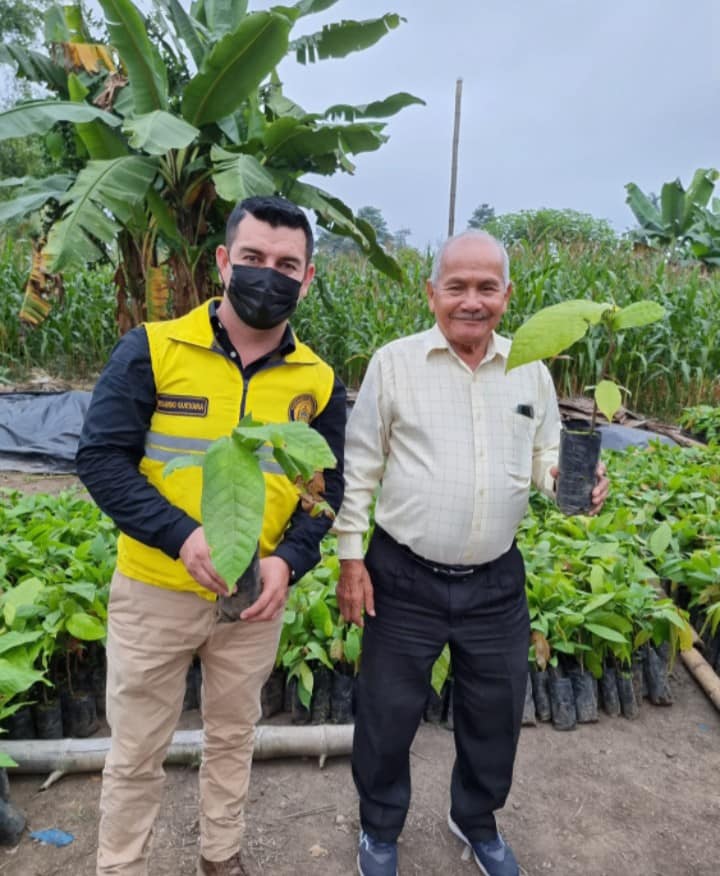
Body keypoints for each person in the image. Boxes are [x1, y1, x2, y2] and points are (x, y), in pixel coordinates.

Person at [77, 195, 346, 876]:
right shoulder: (153, 348)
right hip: (156, 591)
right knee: (136, 749)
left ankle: (221, 857)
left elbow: (326, 492)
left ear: (307, 278)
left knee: (233, 737)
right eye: (253, 257)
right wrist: (181, 536)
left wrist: (290, 561)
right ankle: (120, 866)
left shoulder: (318, 380)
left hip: (253, 602)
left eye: (287, 265)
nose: (268, 274)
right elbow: (101, 459)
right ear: (224, 262)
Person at [334, 230, 609, 876]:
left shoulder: (529, 370)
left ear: (507, 296)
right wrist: (350, 558)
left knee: (495, 711)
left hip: (495, 580)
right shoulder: (394, 364)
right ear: (431, 293)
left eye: (487, 287)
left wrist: (568, 480)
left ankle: (476, 819)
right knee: (387, 713)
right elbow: (360, 465)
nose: (472, 300)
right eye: (456, 286)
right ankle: (379, 827)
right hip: (402, 576)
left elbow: (545, 452)